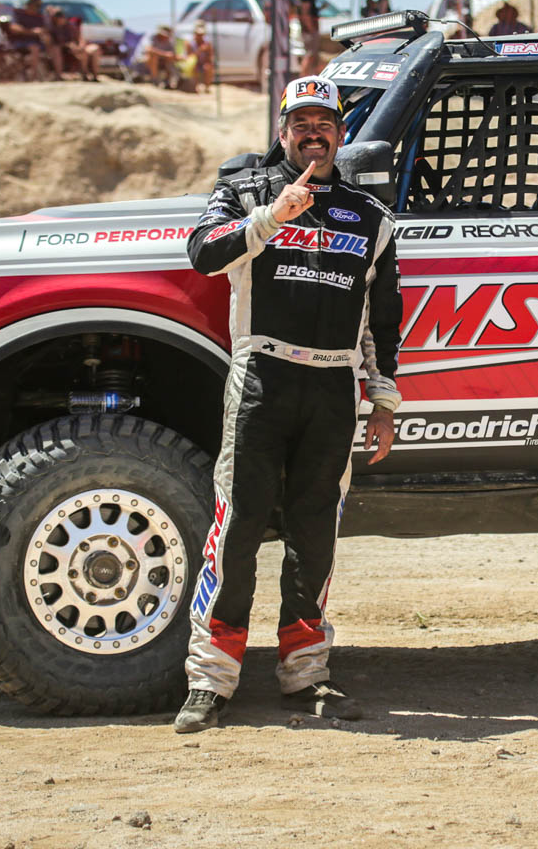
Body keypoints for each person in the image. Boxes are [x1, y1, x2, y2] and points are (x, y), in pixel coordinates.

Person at [174, 74, 403, 733]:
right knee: (237, 528)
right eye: (300, 122)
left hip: (331, 386)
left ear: (341, 132)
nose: (313, 133)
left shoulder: (370, 216)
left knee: (314, 535)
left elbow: (382, 319)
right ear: (283, 132)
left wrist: (383, 399)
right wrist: (274, 216)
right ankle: (211, 679)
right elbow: (202, 254)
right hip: (261, 377)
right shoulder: (245, 189)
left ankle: (306, 674)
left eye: (324, 122)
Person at [296, 0, 319, 77]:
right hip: (309, 29)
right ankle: (303, 77)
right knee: (309, 55)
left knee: (310, 55)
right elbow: (305, 11)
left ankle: (307, 76)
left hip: (308, 27)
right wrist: (310, 28)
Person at [182, 19, 215, 92]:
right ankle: (196, 87)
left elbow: (210, 56)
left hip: (203, 63)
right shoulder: (189, 42)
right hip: (192, 64)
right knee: (194, 67)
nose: (200, 36)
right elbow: (189, 57)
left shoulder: (207, 43)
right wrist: (200, 50)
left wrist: (209, 62)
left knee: (208, 67)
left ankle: (207, 87)